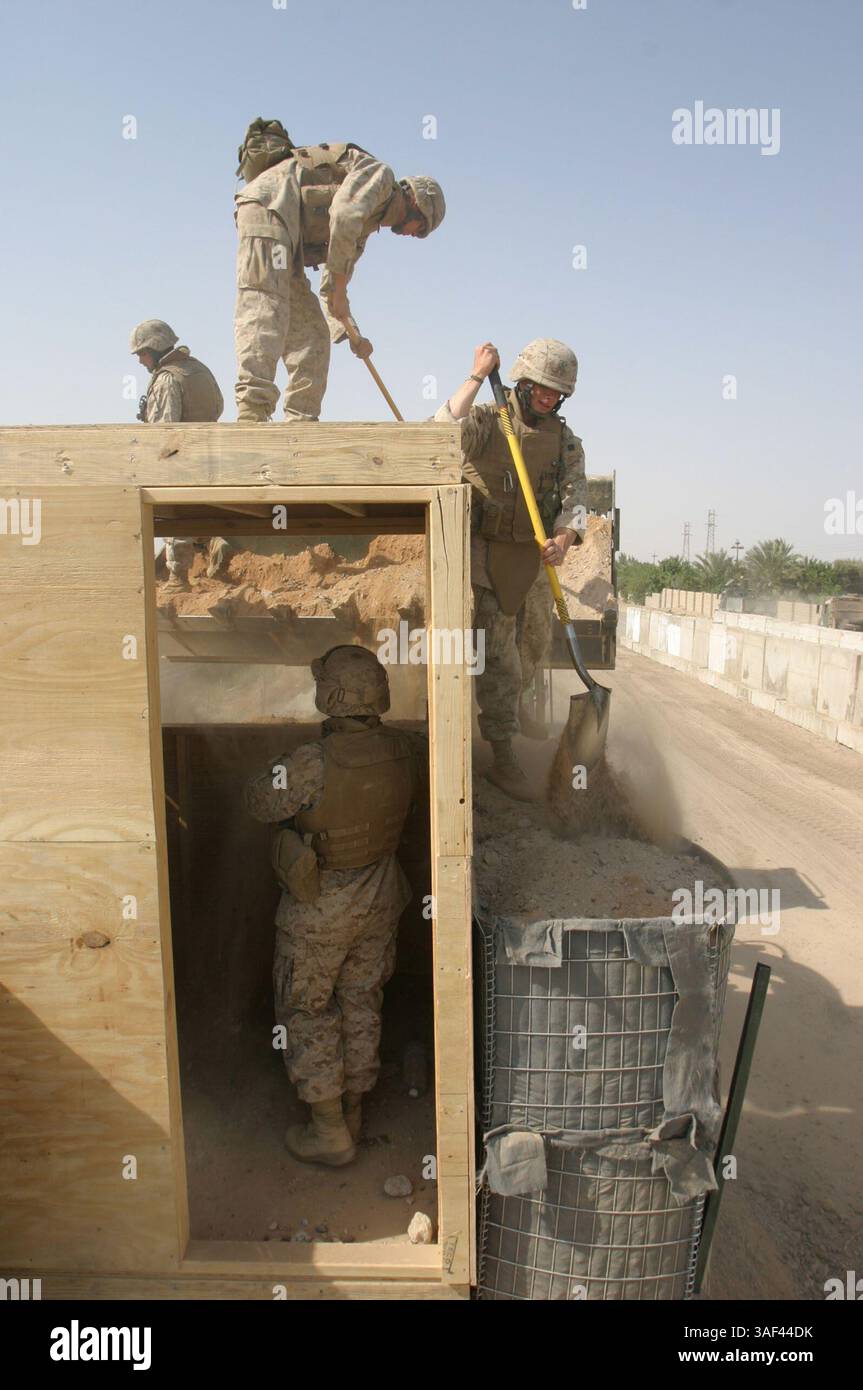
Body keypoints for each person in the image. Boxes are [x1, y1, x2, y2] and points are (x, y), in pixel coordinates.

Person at [244, 646, 426, 1165]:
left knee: (307, 1009)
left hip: (319, 910)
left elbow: (260, 801)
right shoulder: (406, 750)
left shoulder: (311, 762)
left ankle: (327, 1131)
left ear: (333, 696)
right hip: (381, 899)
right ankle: (353, 1111)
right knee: (362, 1001)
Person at [434, 339, 589, 800]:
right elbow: (441, 430)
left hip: (534, 555)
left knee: (534, 644)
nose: (547, 398)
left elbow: (576, 500)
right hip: (485, 554)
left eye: (556, 393)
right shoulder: (487, 420)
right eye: (541, 389)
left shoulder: (564, 442)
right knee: (499, 657)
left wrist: (563, 538)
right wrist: (477, 375)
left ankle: (518, 707)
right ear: (522, 382)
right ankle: (501, 754)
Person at [233, 138, 445, 421]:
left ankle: (301, 425)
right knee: (267, 306)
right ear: (416, 204)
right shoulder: (380, 177)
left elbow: (331, 291)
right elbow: (343, 215)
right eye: (420, 229)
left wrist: (353, 335)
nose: (412, 235)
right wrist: (340, 291)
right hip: (271, 207)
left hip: (290, 243)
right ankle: (252, 412)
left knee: (314, 336)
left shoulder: (362, 231)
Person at [129, 319, 230, 586]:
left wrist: (155, 467)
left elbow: (165, 434)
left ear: (155, 348)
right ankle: (213, 542)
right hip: (210, 460)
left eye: (142, 353)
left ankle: (177, 578)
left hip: (181, 461)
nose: (140, 360)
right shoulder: (200, 370)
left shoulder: (167, 379)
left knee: (172, 514)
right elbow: (218, 408)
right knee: (197, 511)